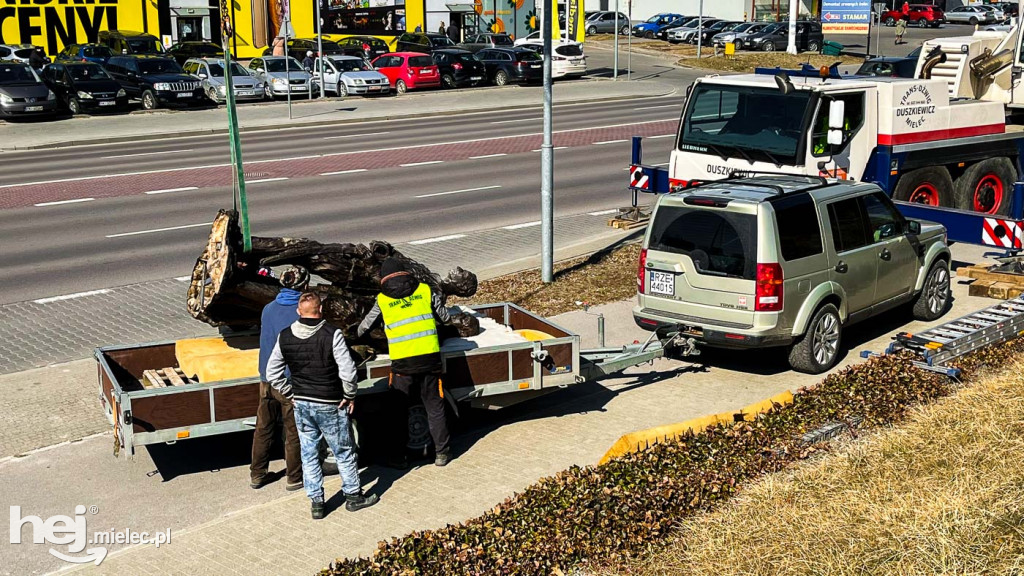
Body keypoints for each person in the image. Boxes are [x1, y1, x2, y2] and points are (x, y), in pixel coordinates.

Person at [266, 291, 379, 519]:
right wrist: (350, 394)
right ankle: (353, 496)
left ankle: (317, 503)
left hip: (303, 405)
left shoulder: (285, 336)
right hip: (330, 403)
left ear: (299, 311)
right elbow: (347, 372)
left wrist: (291, 393)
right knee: (344, 452)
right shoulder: (332, 334)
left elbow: (272, 373)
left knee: (309, 454)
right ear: (321, 311)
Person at [357, 258, 453, 468]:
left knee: (398, 411)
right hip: (429, 359)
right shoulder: (426, 290)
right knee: (434, 407)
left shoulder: (382, 299)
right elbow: (446, 318)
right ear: (406, 273)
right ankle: (442, 454)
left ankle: (398, 458)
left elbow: (362, 329)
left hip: (402, 364)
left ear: (384, 278)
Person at [251, 267, 307, 492]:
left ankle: (257, 474)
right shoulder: (300, 312)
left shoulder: (268, 309)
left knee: (263, 428)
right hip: (288, 381)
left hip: (266, 379)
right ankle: (293, 478)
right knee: (292, 431)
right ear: (304, 287)